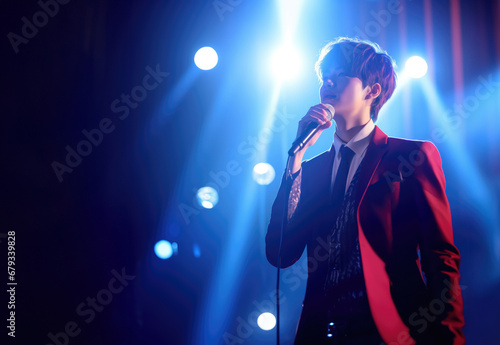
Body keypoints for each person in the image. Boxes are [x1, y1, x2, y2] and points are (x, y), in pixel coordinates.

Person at [265, 37, 465, 345]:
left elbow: (441, 256)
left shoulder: (411, 157)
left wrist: (450, 338)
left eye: (340, 74)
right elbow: (280, 254)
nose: (327, 82)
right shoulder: (312, 170)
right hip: (321, 334)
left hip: (391, 331)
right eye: (323, 77)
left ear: (372, 91)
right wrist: (295, 160)